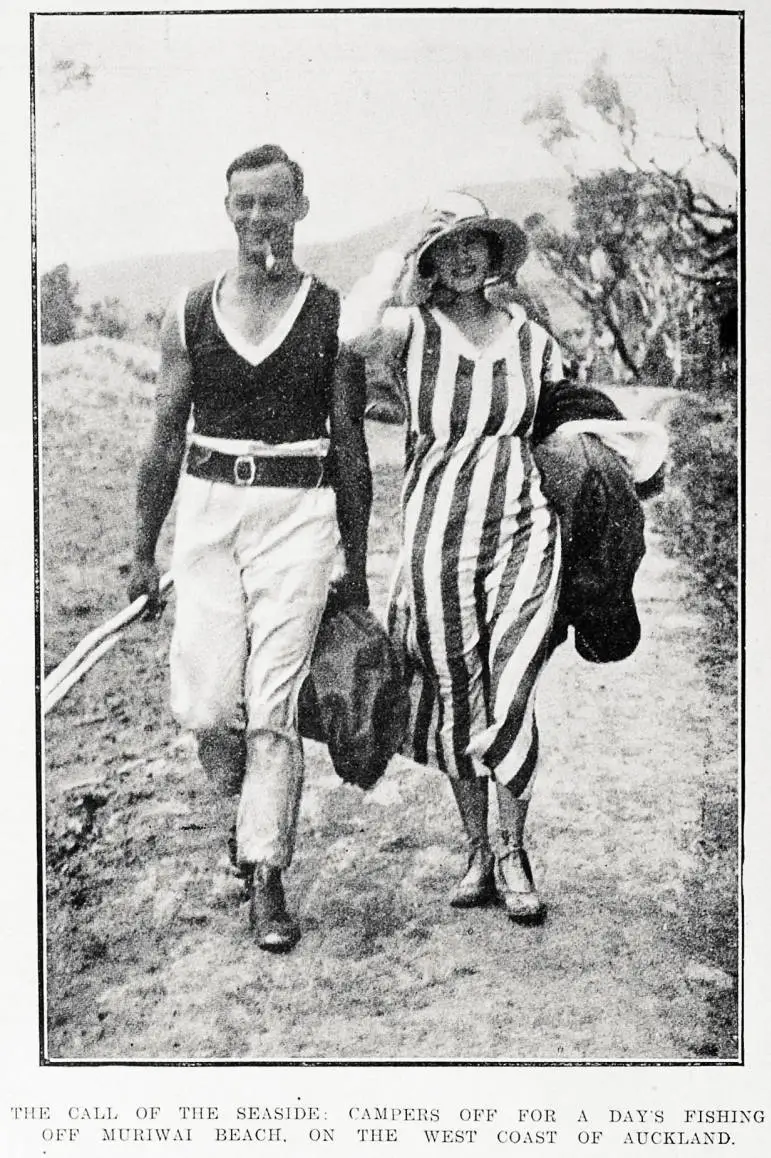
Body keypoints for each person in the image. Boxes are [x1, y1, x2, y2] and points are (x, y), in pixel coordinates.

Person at [340, 191, 665, 925]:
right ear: (430, 257)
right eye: (445, 245)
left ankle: (515, 850)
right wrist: (398, 250)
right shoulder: (407, 329)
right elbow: (351, 328)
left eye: (473, 243)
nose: (460, 256)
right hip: (436, 529)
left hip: (520, 520)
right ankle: (477, 850)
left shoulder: (528, 335)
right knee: (456, 690)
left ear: (492, 256)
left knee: (511, 682)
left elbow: (569, 416)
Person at [127, 144, 372, 952]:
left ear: (301, 208)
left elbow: (350, 447)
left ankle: (266, 873)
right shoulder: (191, 310)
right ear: (226, 209)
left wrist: (356, 562)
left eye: (273, 203)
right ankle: (245, 822)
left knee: (272, 705)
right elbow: (164, 439)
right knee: (204, 705)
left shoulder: (333, 315)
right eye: (244, 204)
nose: (258, 218)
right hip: (206, 511)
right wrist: (141, 549)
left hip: (297, 515)